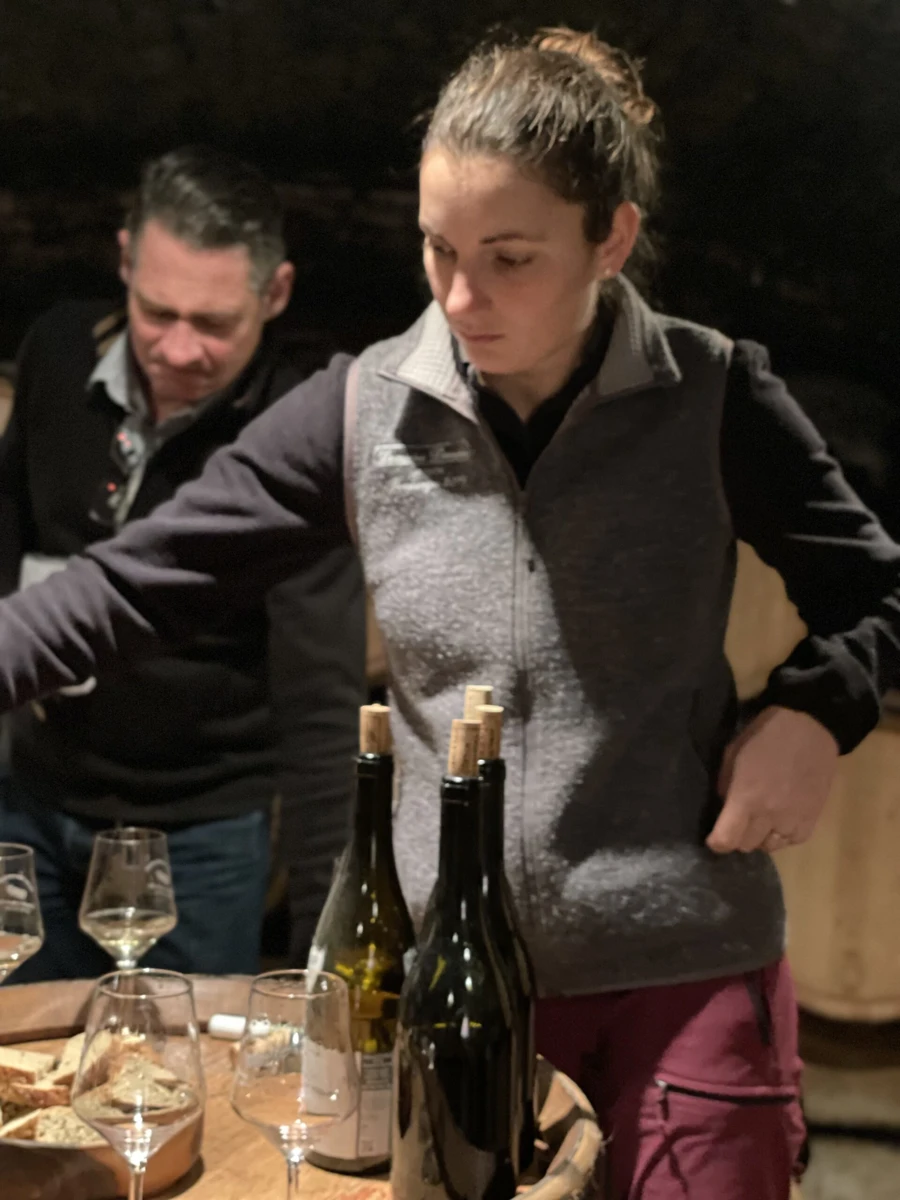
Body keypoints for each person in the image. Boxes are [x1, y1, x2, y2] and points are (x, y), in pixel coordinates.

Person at [0, 28, 896, 1195]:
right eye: (439, 249)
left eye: (511, 257)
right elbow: (129, 584)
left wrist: (817, 710)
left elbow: (879, 592)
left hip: (677, 972)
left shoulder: (715, 395)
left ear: (611, 237)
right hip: (442, 987)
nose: (462, 298)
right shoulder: (364, 410)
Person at [0, 145, 365, 980]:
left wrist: (327, 956)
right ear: (126, 261)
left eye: (213, 324)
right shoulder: (59, 349)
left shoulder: (296, 434)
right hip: (32, 802)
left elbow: (322, 704)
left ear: (275, 293)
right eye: (157, 311)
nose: (177, 348)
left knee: (179, 1052)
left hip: (195, 836)